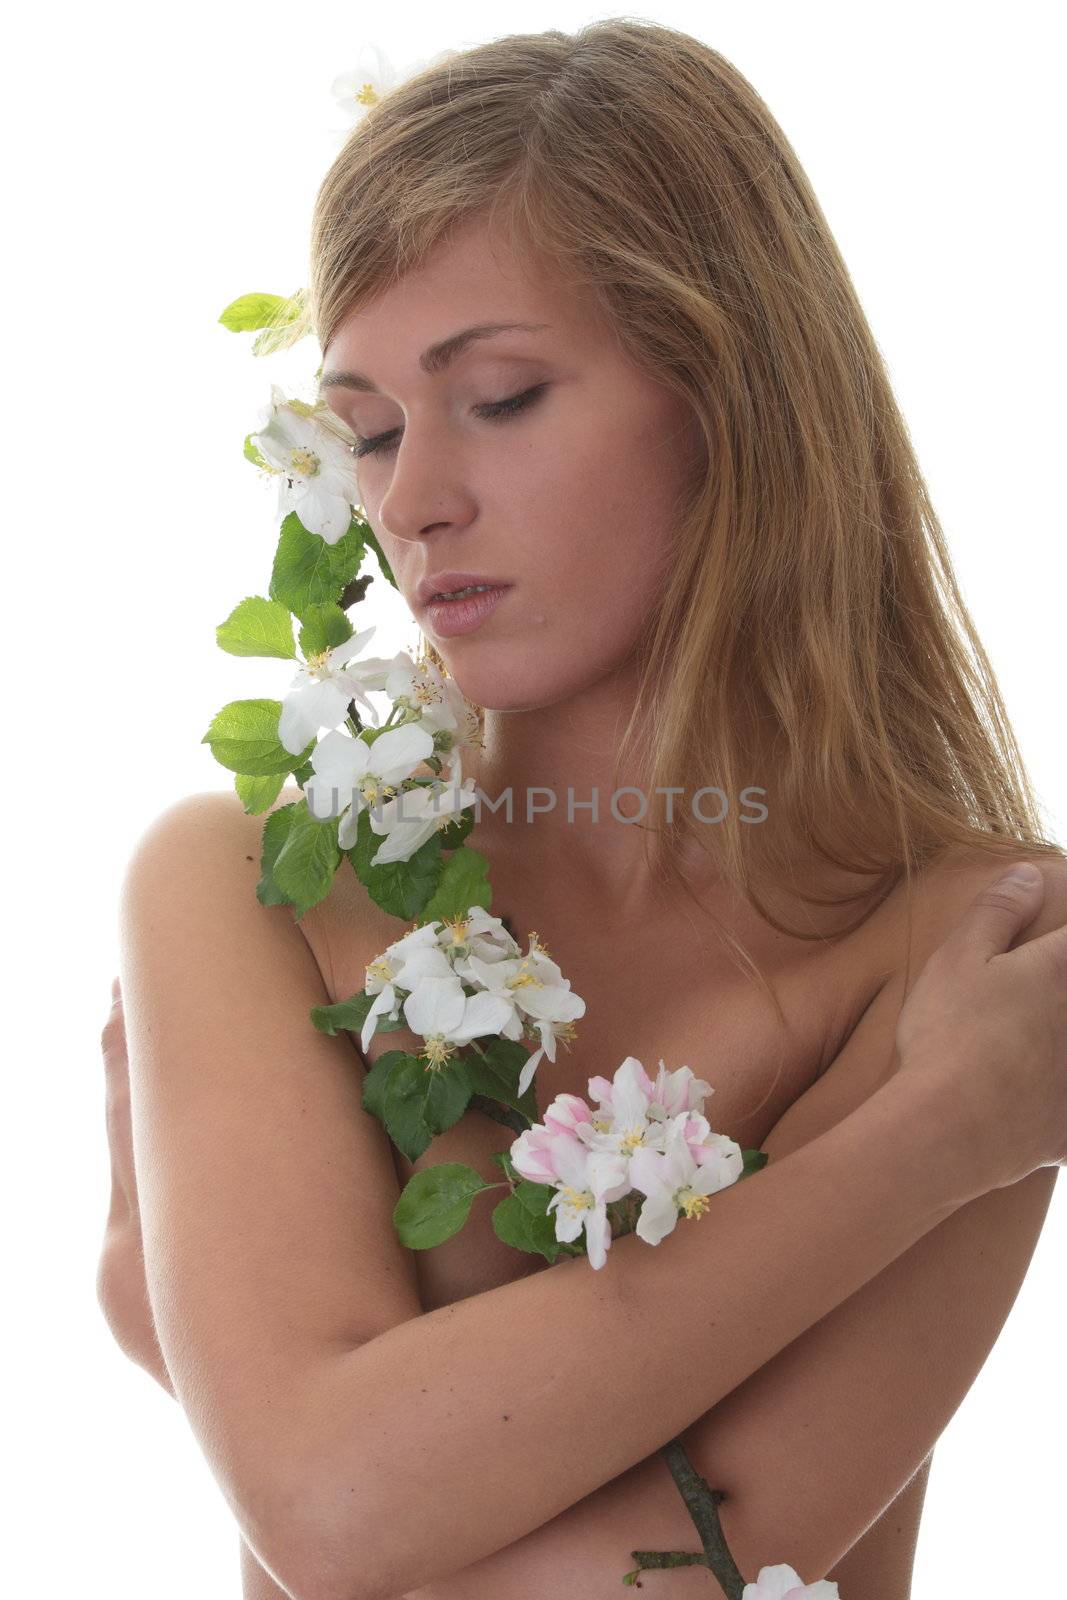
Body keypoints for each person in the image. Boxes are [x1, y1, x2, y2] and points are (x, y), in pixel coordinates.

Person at [97, 20, 1067, 1600]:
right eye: (369, 429)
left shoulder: (982, 946)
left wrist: (225, 1372)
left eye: (501, 395)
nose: (412, 502)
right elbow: (334, 1510)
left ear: (729, 393)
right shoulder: (245, 881)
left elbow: (661, 1580)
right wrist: (939, 1139)